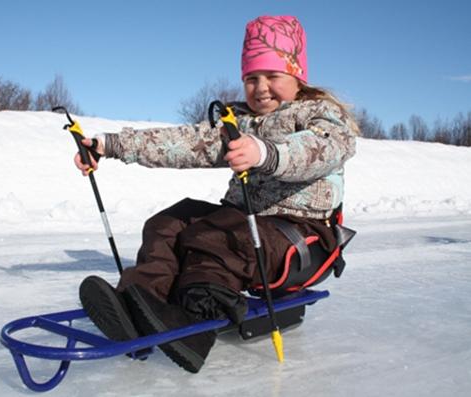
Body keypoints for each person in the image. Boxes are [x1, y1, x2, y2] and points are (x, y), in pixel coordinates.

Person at [74, 15, 358, 373]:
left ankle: (193, 324)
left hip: (303, 234)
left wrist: (265, 153)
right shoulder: (236, 121)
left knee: (217, 238)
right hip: (245, 220)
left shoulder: (322, 116)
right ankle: (142, 298)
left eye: (273, 76)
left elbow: (320, 150)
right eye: (251, 78)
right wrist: (109, 145)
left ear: (297, 76)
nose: (261, 87)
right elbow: (182, 143)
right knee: (170, 222)